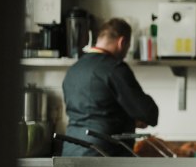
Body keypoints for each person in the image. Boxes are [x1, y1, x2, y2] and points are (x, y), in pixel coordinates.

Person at [62, 18, 159, 156]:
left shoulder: (74, 70)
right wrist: (135, 118)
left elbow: (92, 110)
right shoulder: (114, 68)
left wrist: (128, 119)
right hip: (104, 155)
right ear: (122, 42)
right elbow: (148, 112)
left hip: (71, 151)